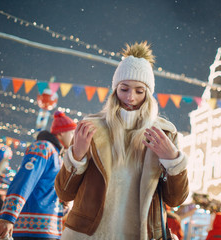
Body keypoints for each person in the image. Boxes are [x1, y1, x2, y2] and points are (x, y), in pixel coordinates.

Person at [55, 41, 189, 240]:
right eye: (124, 89)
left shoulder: (164, 134)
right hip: (88, 235)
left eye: (139, 91)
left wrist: (173, 161)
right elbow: (64, 193)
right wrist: (76, 156)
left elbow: (175, 198)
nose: (130, 97)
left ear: (148, 94)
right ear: (115, 89)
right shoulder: (92, 128)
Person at [0, 111, 77, 240]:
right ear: (61, 132)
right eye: (72, 133)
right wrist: (8, 216)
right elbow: (24, 180)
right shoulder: (43, 147)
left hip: (47, 228)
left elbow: (46, 191)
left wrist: (62, 202)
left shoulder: (57, 156)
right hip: (32, 229)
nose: (74, 138)